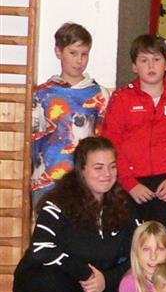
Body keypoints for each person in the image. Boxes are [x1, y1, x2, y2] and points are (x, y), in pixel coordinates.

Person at [14, 137, 135, 292]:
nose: (107, 174)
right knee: (43, 282)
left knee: (140, 279)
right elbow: (41, 248)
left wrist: (107, 279)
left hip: (93, 288)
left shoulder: (124, 204)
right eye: (98, 167)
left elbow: (141, 253)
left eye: (112, 166)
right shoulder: (57, 203)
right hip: (52, 283)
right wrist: (86, 273)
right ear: (81, 169)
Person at [102, 34, 166, 258]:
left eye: (156, 59)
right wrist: (129, 183)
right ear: (134, 67)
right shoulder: (121, 98)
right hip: (130, 185)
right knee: (129, 249)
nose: (151, 66)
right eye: (144, 60)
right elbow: (110, 145)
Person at [30, 22, 109, 208]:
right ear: (58, 52)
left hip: (85, 183)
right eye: (73, 53)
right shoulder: (42, 94)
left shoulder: (100, 94)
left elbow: (103, 142)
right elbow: (33, 139)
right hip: (47, 181)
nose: (79, 60)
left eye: (84, 54)